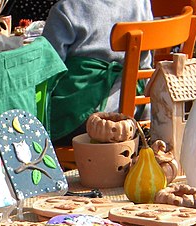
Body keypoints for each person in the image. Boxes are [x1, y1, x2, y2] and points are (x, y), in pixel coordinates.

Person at [41, 0, 154, 144]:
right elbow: (145, 66)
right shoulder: (141, 3)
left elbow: (45, 71)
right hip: (133, 115)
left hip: (82, 123)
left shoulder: (67, 8)